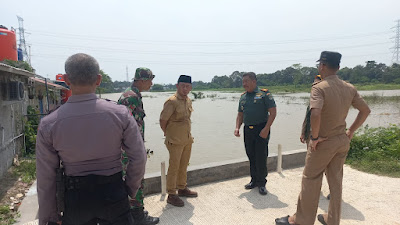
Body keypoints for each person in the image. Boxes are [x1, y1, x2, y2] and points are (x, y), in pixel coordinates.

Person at [36, 53, 147, 225]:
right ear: (98, 79)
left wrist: (49, 216)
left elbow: (45, 177)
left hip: (75, 198)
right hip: (114, 192)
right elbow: (139, 157)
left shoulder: (49, 123)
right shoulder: (120, 114)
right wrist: (129, 189)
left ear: (66, 79)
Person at [275, 51, 371, 225]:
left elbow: (316, 113)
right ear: (338, 67)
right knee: (336, 182)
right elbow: (365, 111)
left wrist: (315, 136)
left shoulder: (319, 87)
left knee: (310, 180)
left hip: (323, 142)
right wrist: (351, 131)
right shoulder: (349, 88)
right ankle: (332, 220)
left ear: (322, 66)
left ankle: (301, 221)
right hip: (341, 141)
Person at [117, 67, 159, 225]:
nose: (151, 84)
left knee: (132, 180)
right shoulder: (132, 97)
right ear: (142, 80)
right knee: (136, 181)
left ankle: (133, 212)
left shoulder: (131, 94)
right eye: (150, 80)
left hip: (130, 147)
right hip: (130, 149)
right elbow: (125, 126)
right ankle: (138, 217)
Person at [234, 72, 277, 195]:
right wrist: (237, 128)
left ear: (254, 81)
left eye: (246, 81)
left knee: (261, 156)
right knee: (251, 155)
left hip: (261, 129)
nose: (244, 84)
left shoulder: (264, 94)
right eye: (243, 82)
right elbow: (240, 114)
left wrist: (266, 128)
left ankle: (262, 183)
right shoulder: (243, 97)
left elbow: (273, 113)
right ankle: (254, 180)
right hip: (248, 129)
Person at [159, 75, 197, 207]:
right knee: (174, 167)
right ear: (177, 86)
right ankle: (172, 194)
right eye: (183, 86)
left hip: (186, 139)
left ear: (190, 88)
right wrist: (167, 133)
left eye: (188, 86)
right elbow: (163, 120)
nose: (185, 89)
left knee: (184, 164)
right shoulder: (172, 101)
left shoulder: (188, 100)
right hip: (175, 140)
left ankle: (182, 188)